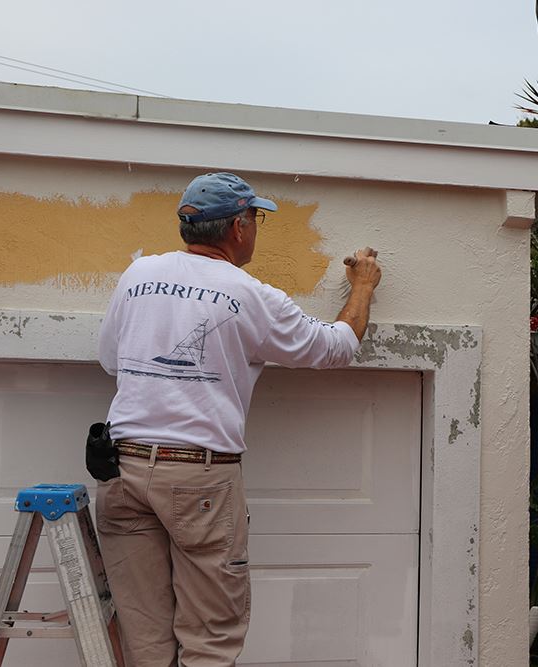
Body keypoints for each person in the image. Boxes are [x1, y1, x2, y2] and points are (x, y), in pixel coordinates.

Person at [95, 171, 381, 667]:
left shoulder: (137, 276)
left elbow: (110, 360)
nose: (255, 227)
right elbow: (336, 347)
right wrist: (362, 287)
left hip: (124, 471)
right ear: (237, 228)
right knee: (210, 639)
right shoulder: (251, 295)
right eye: (255, 217)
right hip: (198, 481)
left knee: (144, 640)